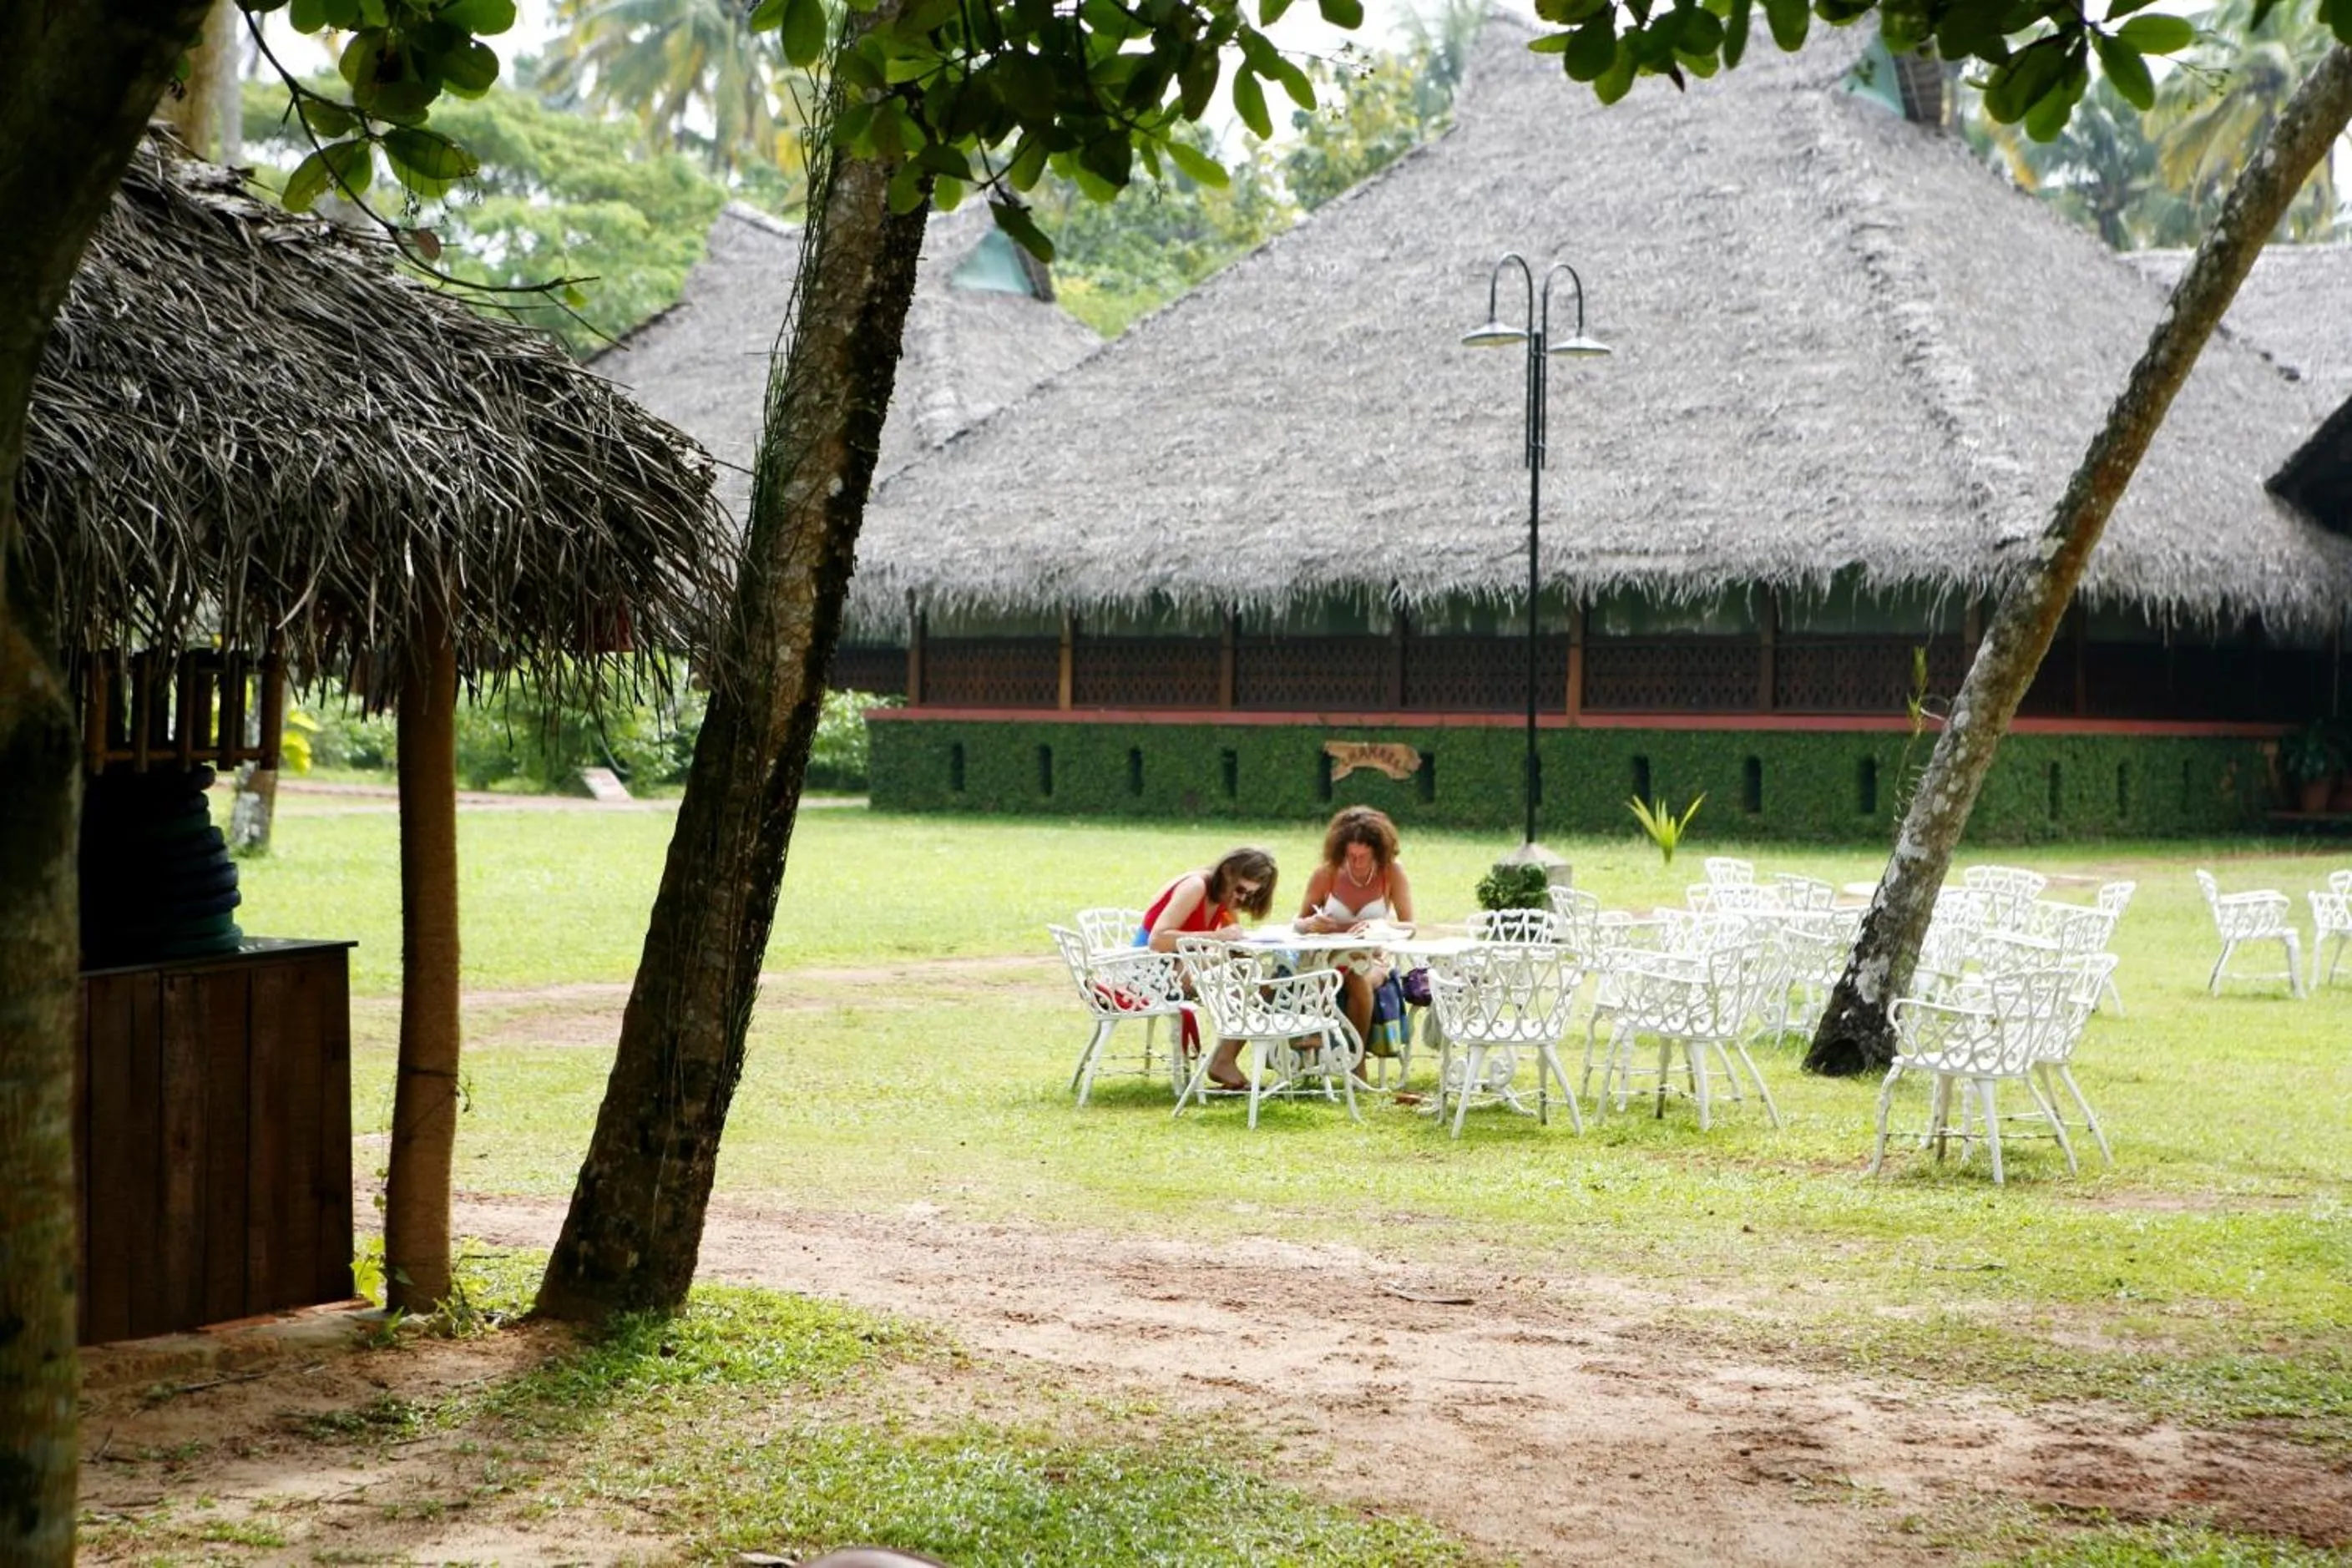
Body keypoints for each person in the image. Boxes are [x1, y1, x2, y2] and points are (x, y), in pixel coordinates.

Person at [1139, 846, 1278, 1092]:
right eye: (1240, 890)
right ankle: (1224, 1061)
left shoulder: (1225, 899)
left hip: (1178, 968)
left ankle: (1225, 1059)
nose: (1242, 900)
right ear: (1227, 872)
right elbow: (1158, 940)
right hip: (1146, 971)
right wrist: (1218, 938)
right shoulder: (1196, 886)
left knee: (1262, 979)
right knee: (1249, 978)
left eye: (1250, 895)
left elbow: (1226, 941)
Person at [1293, 807, 1416, 1066]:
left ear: (1379, 852)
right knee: (1333, 974)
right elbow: (1298, 924)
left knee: (1356, 978)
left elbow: (1410, 927)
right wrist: (1312, 924)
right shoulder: (1327, 873)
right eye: (1350, 856)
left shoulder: (1392, 872)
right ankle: (1325, 1044)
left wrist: (1380, 925)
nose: (1356, 862)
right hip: (1326, 958)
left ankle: (1355, 1060)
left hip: (1373, 958)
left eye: (1363, 857)